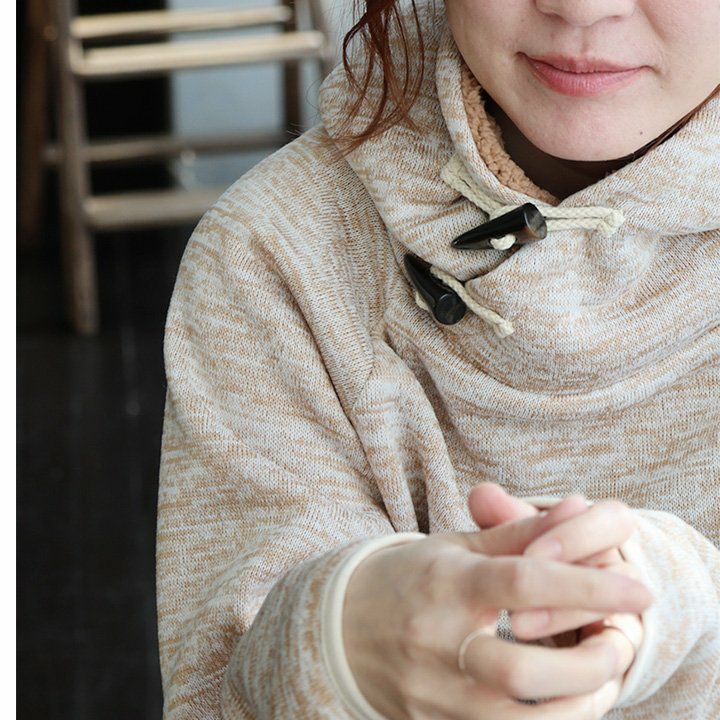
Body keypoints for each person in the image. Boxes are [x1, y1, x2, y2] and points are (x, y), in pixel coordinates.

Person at [156, 1, 720, 718]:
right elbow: (220, 691)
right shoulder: (275, 250)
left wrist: (677, 608)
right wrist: (329, 646)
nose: (581, 7)